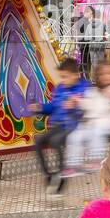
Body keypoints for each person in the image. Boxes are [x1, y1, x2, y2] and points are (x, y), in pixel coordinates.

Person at [29, 58, 88, 196]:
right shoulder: (60, 88)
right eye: (61, 77)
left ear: (75, 75)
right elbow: (53, 106)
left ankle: (62, 176)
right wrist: (40, 107)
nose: (63, 80)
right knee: (38, 141)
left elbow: (89, 107)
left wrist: (76, 105)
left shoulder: (83, 88)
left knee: (56, 141)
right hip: (57, 125)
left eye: (65, 77)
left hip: (73, 125)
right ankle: (48, 174)